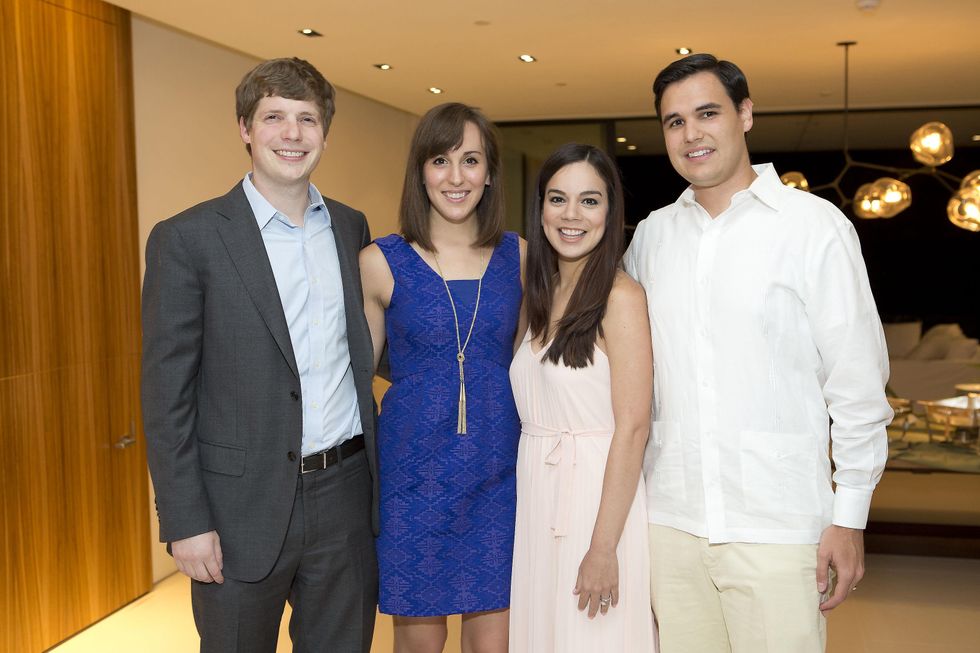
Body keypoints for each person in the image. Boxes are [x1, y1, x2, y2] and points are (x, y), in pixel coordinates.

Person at [623, 53, 893, 652]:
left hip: (779, 526)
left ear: (744, 114)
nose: (691, 134)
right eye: (674, 122)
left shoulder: (813, 227)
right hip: (670, 524)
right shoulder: (651, 237)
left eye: (707, 113)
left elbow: (857, 384)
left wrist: (850, 517)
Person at [141, 57, 378, 652]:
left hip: (344, 496)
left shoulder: (351, 228)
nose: (292, 134)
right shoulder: (187, 238)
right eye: (274, 117)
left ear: (325, 132)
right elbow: (167, 395)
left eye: (307, 118)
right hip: (236, 509)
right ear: (245, 128)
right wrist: (186, 520)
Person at [360, 102, 524, 653]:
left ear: (489, 172)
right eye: (440, 160)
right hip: (413, 481)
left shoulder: (520, 257)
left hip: (500, 477)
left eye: (470, 160)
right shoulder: (380, 261)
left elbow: (533, 369)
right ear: (421, 171)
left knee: (493, 645)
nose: (456, 177)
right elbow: (355, 382)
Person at [509, 143, 655, 652]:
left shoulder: (621, 297)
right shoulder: (539, 292)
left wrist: (603, 547)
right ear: (540, 210)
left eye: (589, 201)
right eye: (558, 199)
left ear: (610, 213)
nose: (571, 215)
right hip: (539, 498)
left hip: (596, 502)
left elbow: (633, 427)